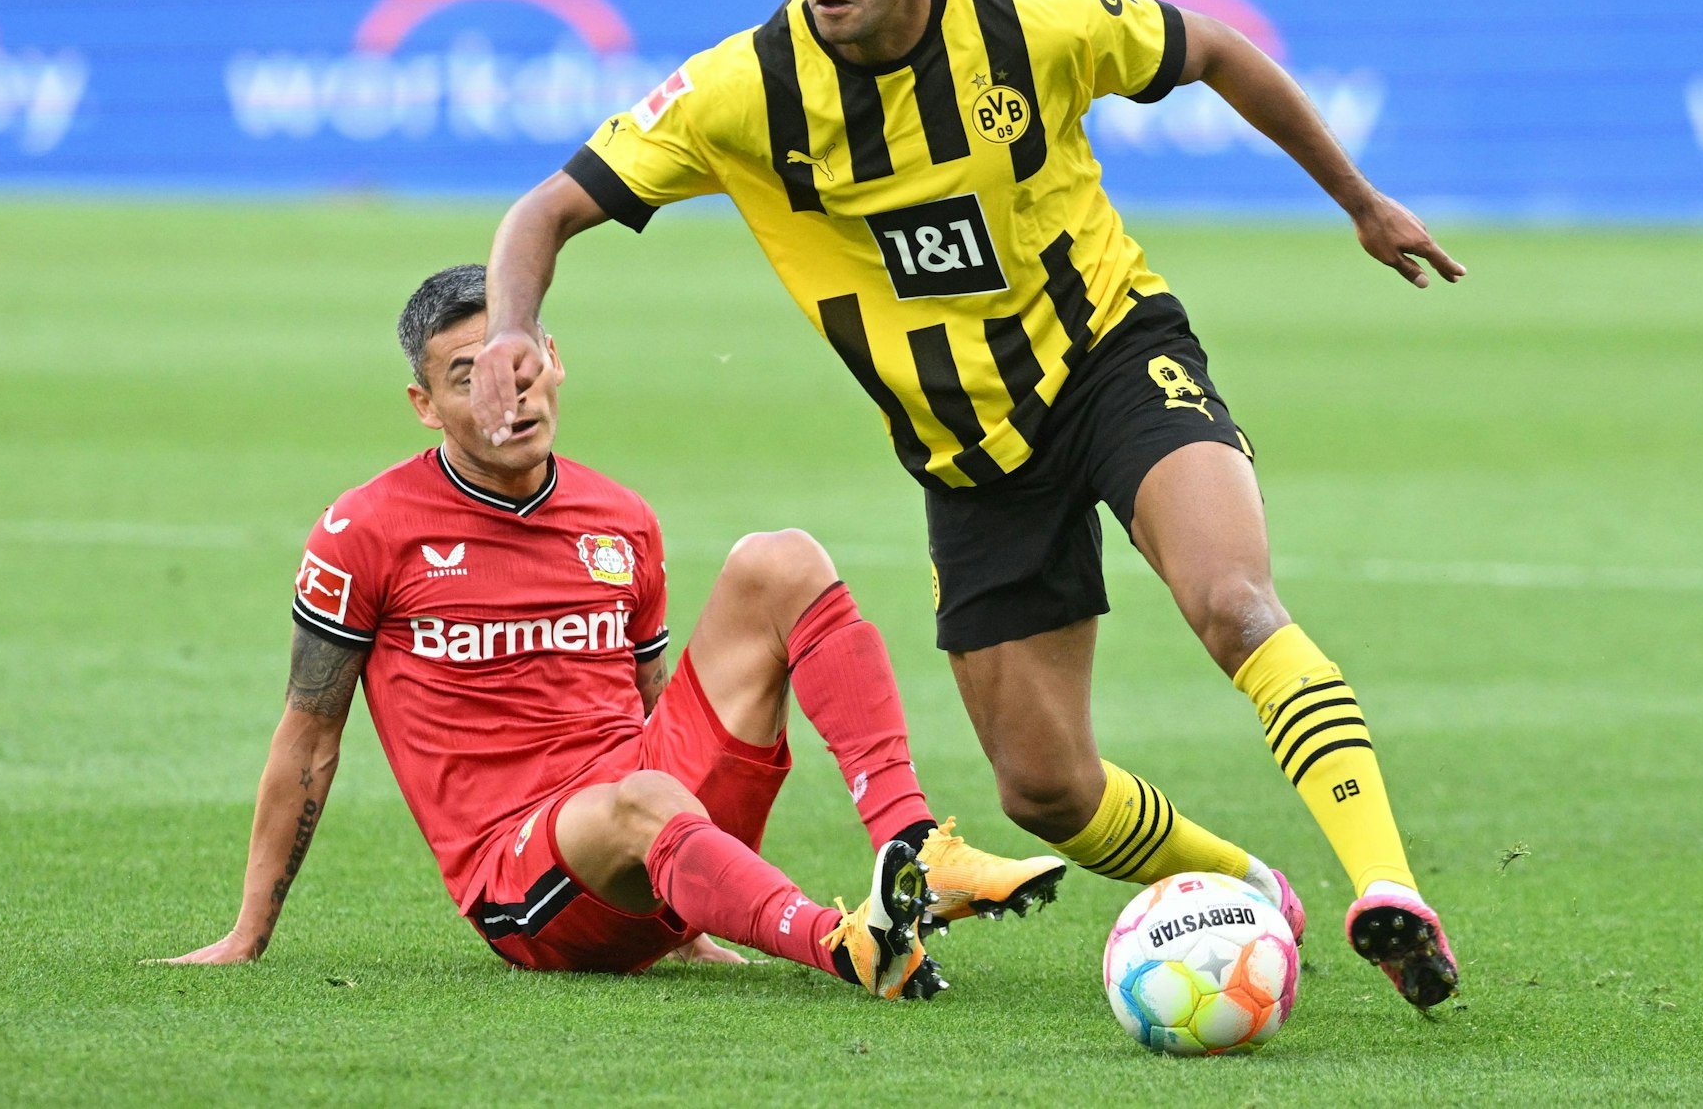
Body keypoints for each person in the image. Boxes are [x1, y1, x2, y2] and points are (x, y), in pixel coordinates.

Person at [472, 0, 1463, 1008]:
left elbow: (1214, 50)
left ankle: (1386, 883)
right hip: (966, 453)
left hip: (1109, 358)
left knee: (1230, 600)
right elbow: (544, 211)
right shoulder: (741, 91)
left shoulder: (1036, 22)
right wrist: (513, 325)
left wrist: (1358, 199)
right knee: (1044, 787)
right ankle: (1251, 888)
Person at [162, 264, 1070, 999]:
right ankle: (844, 944)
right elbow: (310, 733)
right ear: (425, 404)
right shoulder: (365, 530)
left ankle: (916, 845)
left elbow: (651, 705)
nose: (506, 396)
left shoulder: (619, 519)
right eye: (466, 378)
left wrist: (692, 904)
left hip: (648, 821)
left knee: (780, 560)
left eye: (517, 364)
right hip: (523, 880)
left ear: (553, 359)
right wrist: (249, 933)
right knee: (643, 797)